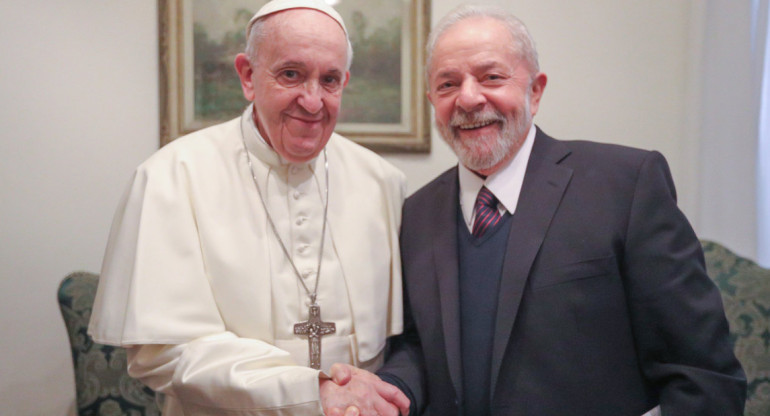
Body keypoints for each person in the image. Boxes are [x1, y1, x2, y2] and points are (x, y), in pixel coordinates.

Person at [369, 4, 747, 416]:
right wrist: (387, 389)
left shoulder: (626, 186)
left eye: (491, 77)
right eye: (447, 84)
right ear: (431, 100)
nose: (469, 98)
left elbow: (703, 376)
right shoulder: (417, 214)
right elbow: (419, 346)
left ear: (535, 90)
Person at [88, 0, 410, 414]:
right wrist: (312, 391)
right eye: (291, 74)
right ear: (247, 76)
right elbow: (165, 352)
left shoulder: (383, 182)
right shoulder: (172, 177)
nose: (312, 102)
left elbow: (405, 342)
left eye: (329, 80)